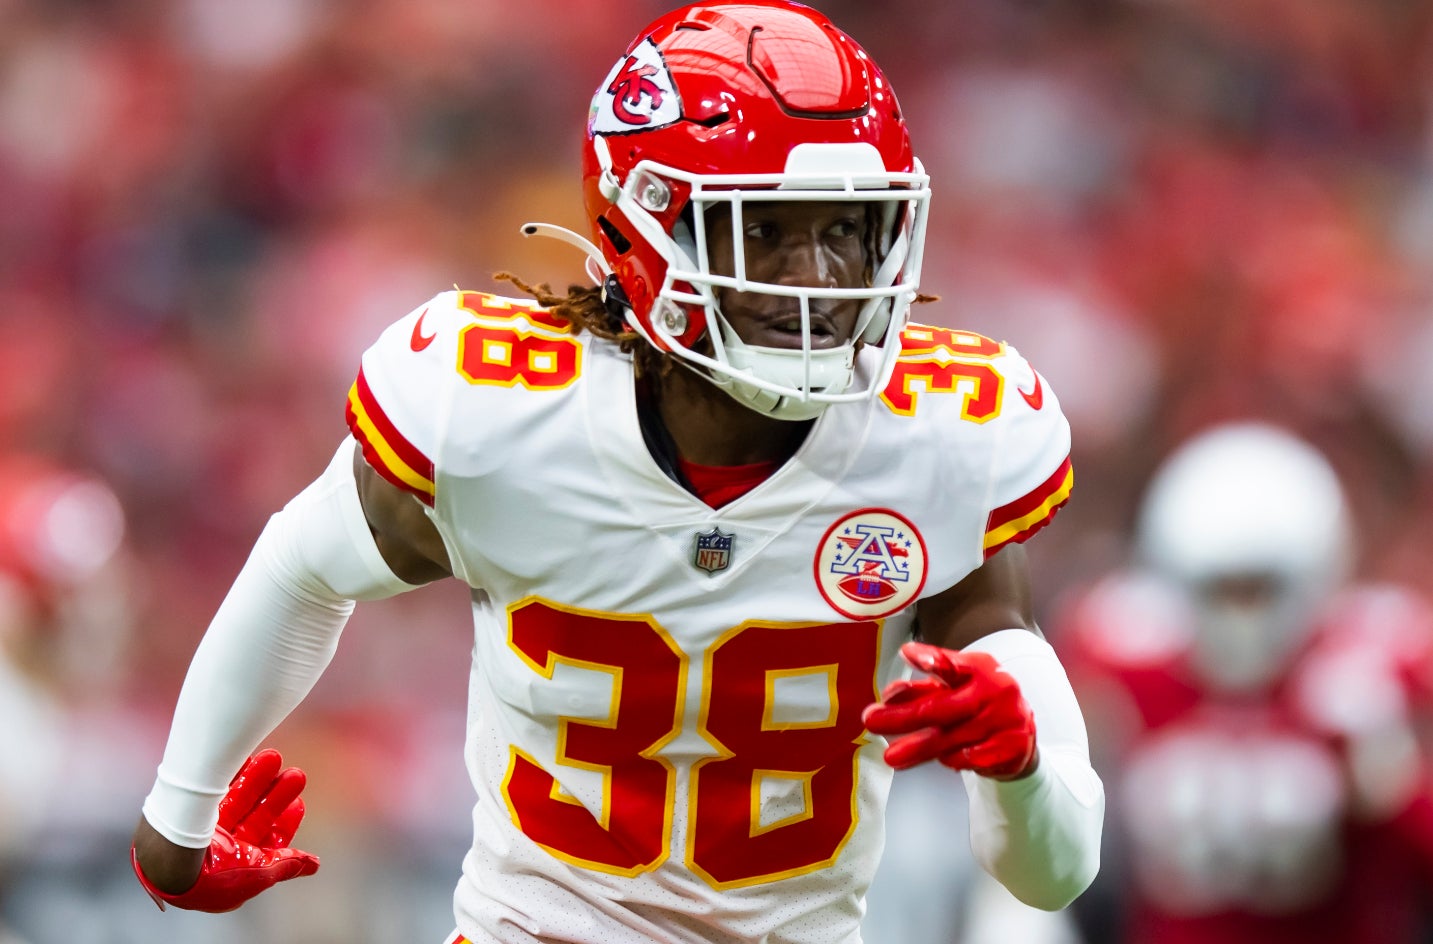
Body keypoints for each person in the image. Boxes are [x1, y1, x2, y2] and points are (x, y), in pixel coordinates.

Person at [130, 2, 1104, 940]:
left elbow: (1055, 871)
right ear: (646, 227)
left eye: (844, 230)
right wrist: (176, 822)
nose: (816, 278)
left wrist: (1017, 765)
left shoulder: (937, 438)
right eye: (764, 229)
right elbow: (302, 566)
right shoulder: (503, 414)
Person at [1060, 422, 1433, 944]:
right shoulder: (1125, 654)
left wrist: (1394, 786)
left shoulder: (1369, 665)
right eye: (1222, 591)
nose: (1242, 619)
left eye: (1259, 590)